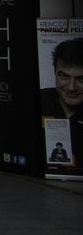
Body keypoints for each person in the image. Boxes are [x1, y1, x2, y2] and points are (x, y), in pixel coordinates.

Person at [40, 38, 83, 166]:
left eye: (81, 79)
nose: (72, 87)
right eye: (64, 76)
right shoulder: (40, 100)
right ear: (54, 73)